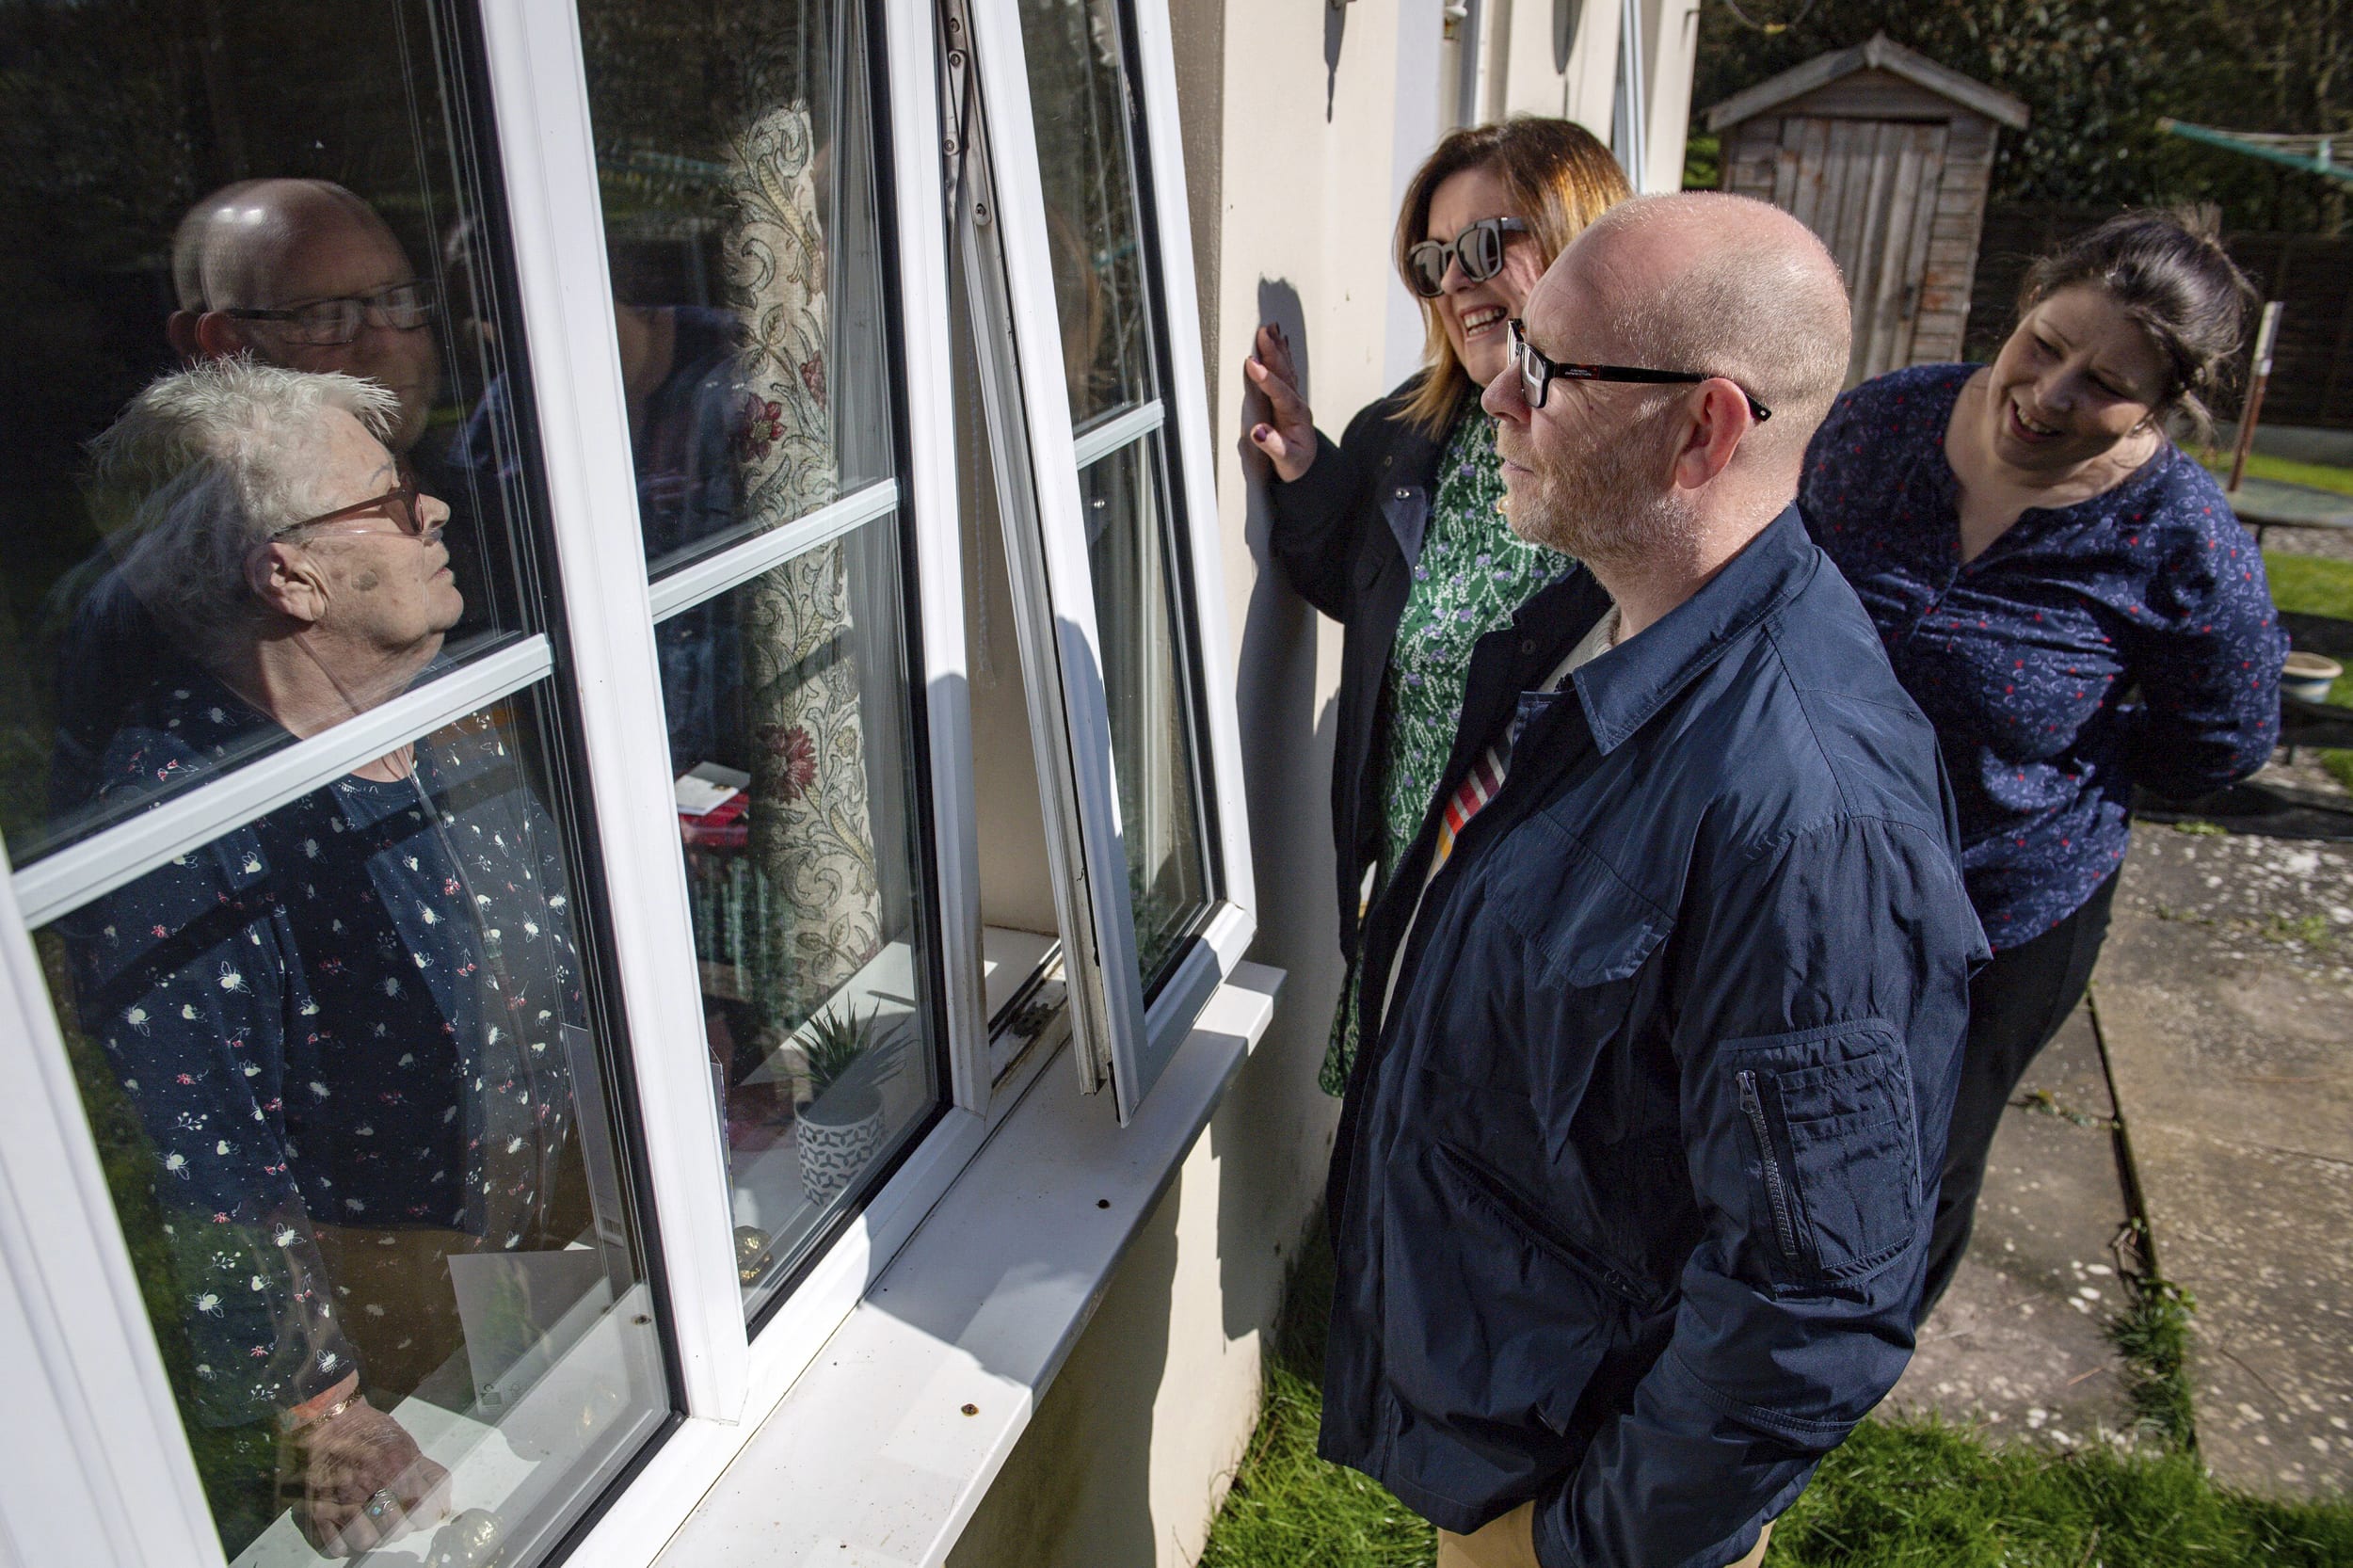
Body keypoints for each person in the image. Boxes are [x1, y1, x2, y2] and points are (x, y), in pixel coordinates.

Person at [1319, 193, 1986, 1568]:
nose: (1496, 389)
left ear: (1706, 427)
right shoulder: (1599, 626)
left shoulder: (1811, 822)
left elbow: (1815, 1304)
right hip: (1507, 1426)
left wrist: (1585, 1544)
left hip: (1577, 1492)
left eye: (1551, 369)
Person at [62, 360, 588, 1557]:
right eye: (391, 498)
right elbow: (206, 1165)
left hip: (532, 1278)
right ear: (288, 573)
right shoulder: (182, 835)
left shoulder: (436, 698)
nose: (435, 511)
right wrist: (331, 1415)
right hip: (407, 1347)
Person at [1799, 210, 2285, 1317]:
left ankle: (1825, 1387)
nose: (2051, 393)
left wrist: (2054, 775)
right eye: (2045, 343)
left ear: (2161, 406)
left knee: (1917, 1159)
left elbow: (2222, 739)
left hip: (2005, 909)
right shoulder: (1884, 423)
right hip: (1811, 864)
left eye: (2104, 383)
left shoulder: (2181, 539)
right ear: (2020, 308)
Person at [1242, 119, 1630, 1095]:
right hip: (1410, 900)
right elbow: (1367, 591)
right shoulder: (1407, 434)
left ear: (1584, 237)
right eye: (1431, 260)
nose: (1456, 279)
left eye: (1487, 246)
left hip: (1547, 948)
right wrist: (1303, 468)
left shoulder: (1640, 461)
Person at [53, 178, 486, 816]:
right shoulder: (150, 605)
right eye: (325, 317)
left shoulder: (489, 489)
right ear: (220, 347)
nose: (388, 341)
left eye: (400, 299)